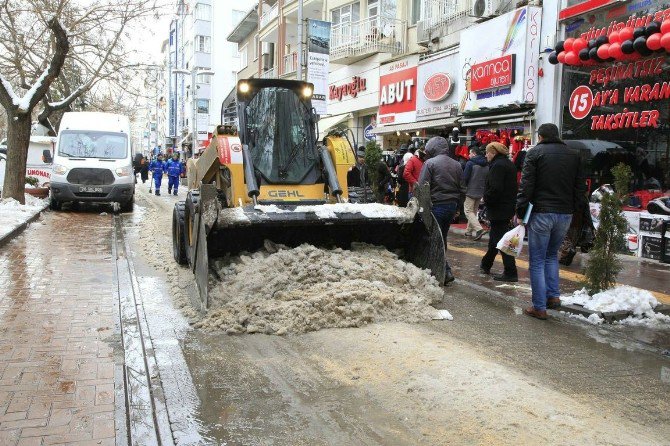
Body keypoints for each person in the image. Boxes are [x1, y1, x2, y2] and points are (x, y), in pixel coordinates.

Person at [517, 123, 585, 320]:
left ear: (540, 136)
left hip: (541, 212)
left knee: (537, 261)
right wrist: (576, 209)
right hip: (565, 213)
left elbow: (526, 185)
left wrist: (521, 211)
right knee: (551, 256)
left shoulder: (535, 153)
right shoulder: (573, 155)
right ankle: (553, 296)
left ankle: (539, 306)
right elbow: (579, 187)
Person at [418, 136, 465, 284]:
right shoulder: (457, 164)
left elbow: (422, 187)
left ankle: (443, 271)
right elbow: (462, 189)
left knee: (433, 239)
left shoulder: (430, 163)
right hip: (451, 206)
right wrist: (458, 207)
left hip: (436, 205)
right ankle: (443, 270)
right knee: (442, 237)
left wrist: (421, 208)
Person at [480, 142, 518, 282]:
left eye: (487, 152)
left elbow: (495, 188)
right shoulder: (508, 164)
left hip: (498, 208)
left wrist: (486, 199)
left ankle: (510, 271)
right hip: (506, 207)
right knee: (496, 238)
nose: (486, 155)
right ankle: (486, 264)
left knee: (502, 240)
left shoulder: (498, 166)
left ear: (494, 153)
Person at [463, 146, 488, 239]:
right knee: (473, 211)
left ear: (473, 153)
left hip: (470, 190)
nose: (469, 155)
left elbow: (465, 178)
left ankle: (479, 229)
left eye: (470, 153)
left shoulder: (470, 163)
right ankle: (468, 231)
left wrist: (462, 188)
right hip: (480, 191)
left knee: (468, 211)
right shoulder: (486, 164)